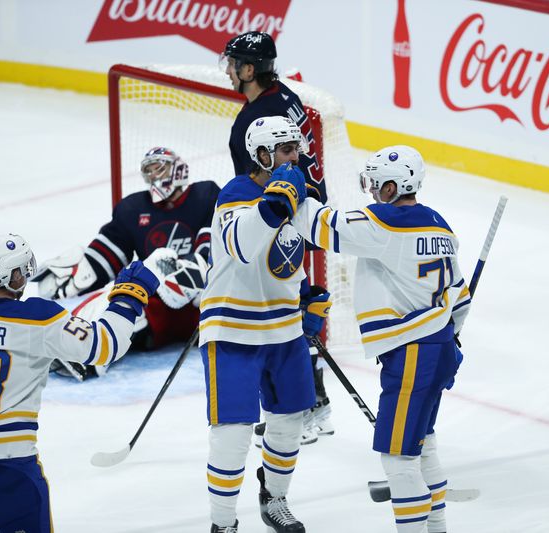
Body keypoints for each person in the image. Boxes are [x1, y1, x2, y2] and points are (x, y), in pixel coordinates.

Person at [0, 233, 159, 533]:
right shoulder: (39, 318)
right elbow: (105, 346)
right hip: (9, 465)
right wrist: (129, 294)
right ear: (13, 276)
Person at [289, 146, 472, 533]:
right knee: (423, 446)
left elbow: (321, 228)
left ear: (393, 187)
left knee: (398, 460)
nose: (371, 190)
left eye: (377, 183)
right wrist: (447, 338)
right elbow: (460, 297)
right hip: (438, 348)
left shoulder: (385, 221)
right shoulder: (440, 225)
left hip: (411, 354)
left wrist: (292, 185)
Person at [199, 116, 329, 533]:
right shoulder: (236, 193)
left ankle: (274, 498)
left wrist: (307, 293)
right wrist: (278, 200)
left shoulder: (296, 195)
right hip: (232, 330)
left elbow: (288, 253)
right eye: (287, 149)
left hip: (284, 330)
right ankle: (223, 524)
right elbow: (242, 246)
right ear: (262, 155)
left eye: (297, 149)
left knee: (290, 421)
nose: (297, 157)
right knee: (234, 433)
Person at [221, 30, 333, 444]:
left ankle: (304, 409)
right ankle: (314, 405)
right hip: (302, 207)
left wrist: (241, 232)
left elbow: (251, 186)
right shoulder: (283, 96)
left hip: (278, 214)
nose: (229, 71)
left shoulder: (253, 122)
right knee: (295, 301)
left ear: (250, 70)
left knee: (280, 309)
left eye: (234, 64)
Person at [32, 147, 219, 378]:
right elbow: (108, 252)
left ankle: (87, 355)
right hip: (157, 307)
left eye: (159, 168)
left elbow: (212, 249)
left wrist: (196, 273)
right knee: (118, 294)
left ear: (177, 168)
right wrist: (80, 272)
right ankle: (77, 347)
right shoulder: (133, 208)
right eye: (148, 171)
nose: (154, 175)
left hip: (201, 309)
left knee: (147, 289)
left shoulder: (206, 195)